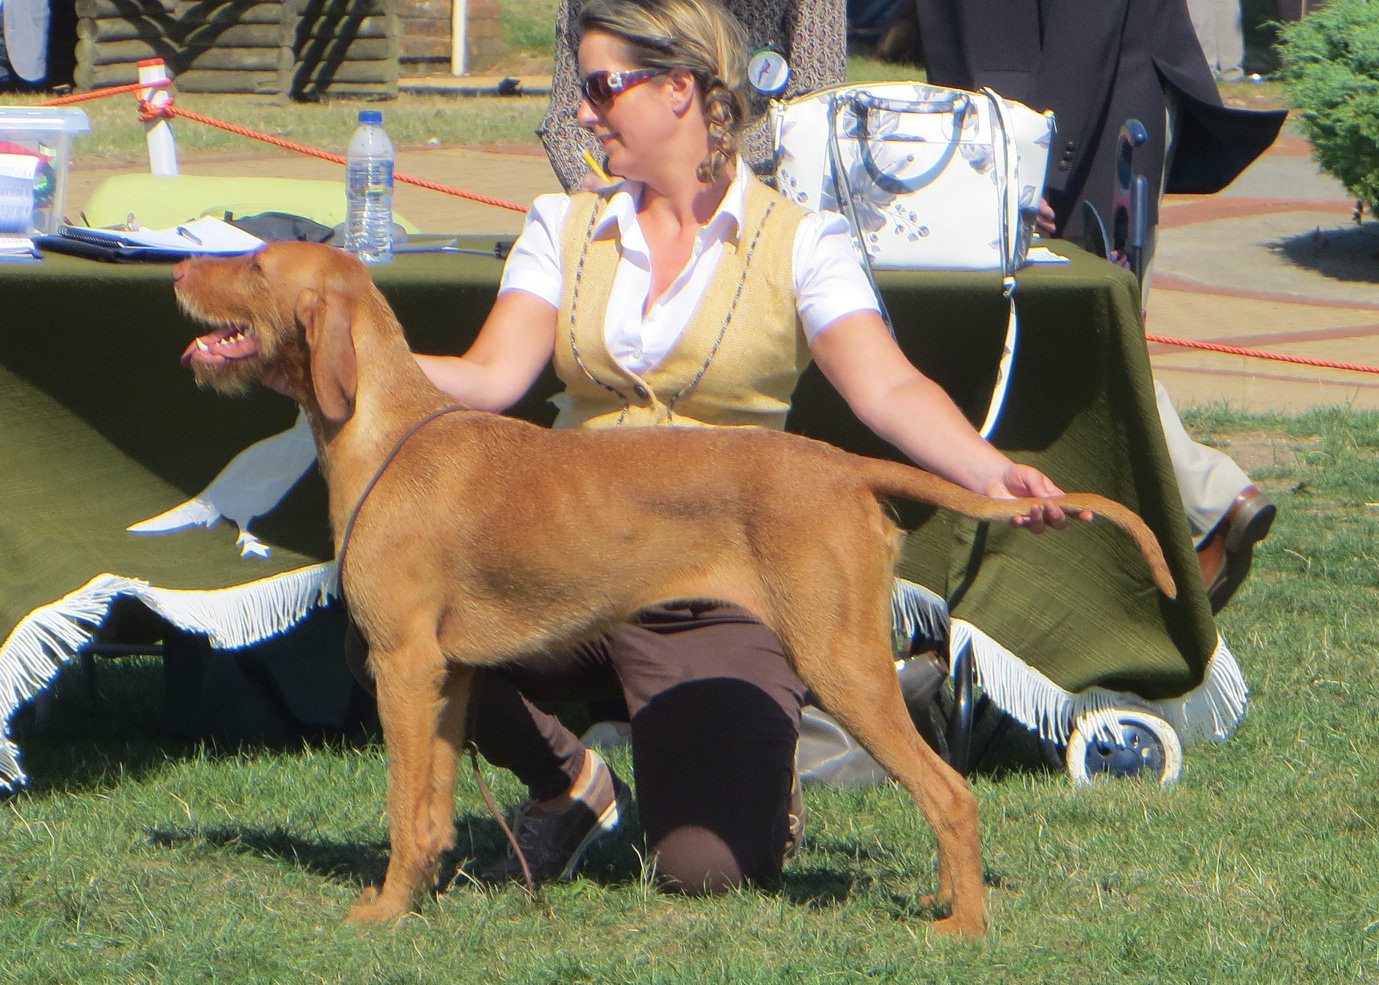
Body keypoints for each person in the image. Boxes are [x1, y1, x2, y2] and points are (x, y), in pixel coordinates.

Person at [406, 0, 1078, 894]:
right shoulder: (561, 224)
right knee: (402, 621)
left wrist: (990, 473)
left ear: (678, 91)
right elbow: (488, 377)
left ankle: (760, 763)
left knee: (706, 870)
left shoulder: (799, 239)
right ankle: (568, 783)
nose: (581, 112)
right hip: (568, 565)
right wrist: (344, 353)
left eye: (602, 89)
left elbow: (886, 387)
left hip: (718, 584)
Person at [914, 0, 1285, 612]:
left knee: (1082, 341)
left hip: (1086, 115)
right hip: (1009, 126)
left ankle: (1207, 502)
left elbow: (1086, 28)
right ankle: (1191, 511)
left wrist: (1032, 166)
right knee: (1060, 348)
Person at [538, 0, 847, 192]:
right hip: (625, 190)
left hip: (764, 188)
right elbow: (566, 117)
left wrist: (706, 175)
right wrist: (596, 182)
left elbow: (819, 105)